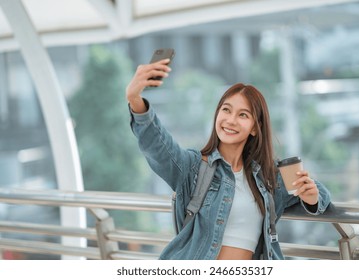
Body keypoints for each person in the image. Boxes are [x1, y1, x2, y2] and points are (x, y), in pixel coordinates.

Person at [126, 58, 331, 260]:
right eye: (226, 110)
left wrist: (312, 198)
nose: (231, 120)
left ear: (254, 128)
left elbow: (319, 193)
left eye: (243, 115)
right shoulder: (194, 167)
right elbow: (158, 146)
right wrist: (136, 100)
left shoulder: (270, 179)